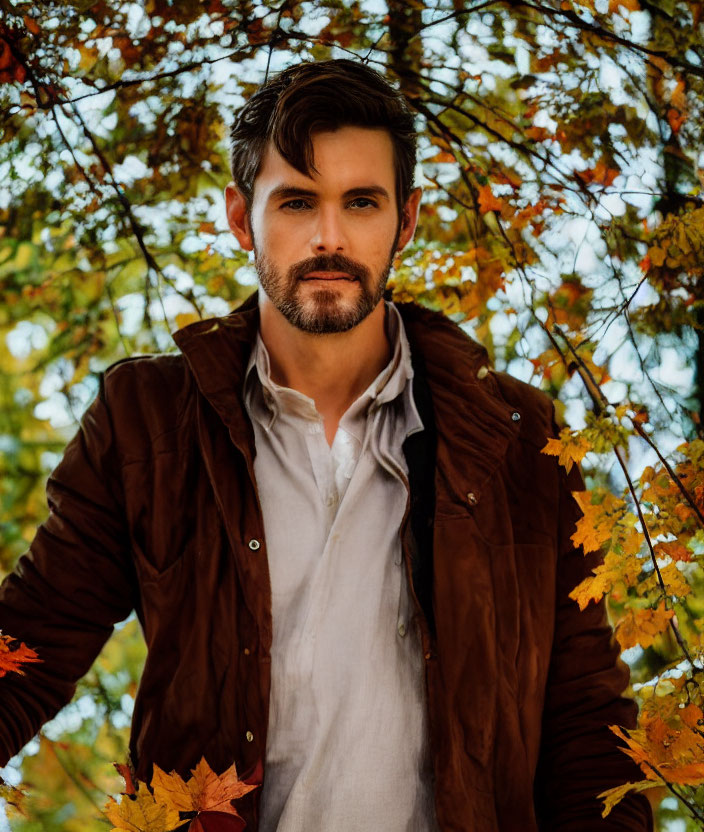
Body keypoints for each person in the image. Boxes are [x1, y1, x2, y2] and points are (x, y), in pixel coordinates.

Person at [0, 59, 653, 831]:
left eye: (362, 202)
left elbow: (585, 724)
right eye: (298, 202)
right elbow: (29, 644)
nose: (330, 237)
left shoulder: (516, 438)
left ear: (405, 221)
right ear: (244, 219)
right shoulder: (149, 423)